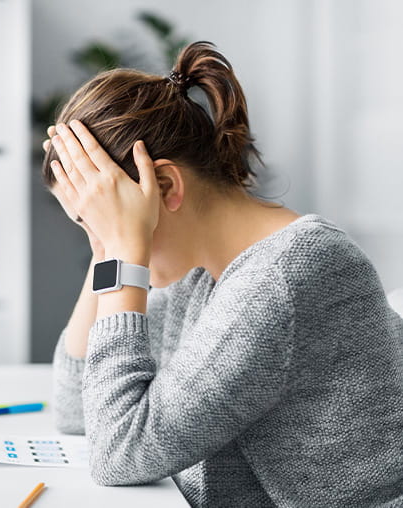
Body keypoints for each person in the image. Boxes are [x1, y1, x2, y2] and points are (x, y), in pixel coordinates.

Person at [42, 41, 403, 507]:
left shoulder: (283, 277)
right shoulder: (202, 273)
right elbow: (77, 407)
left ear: (166, 187)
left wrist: (125, 245)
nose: (103, 239)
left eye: (96, 220)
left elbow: (120, 454)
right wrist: (109, 248)